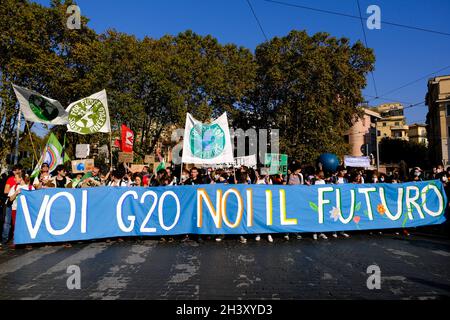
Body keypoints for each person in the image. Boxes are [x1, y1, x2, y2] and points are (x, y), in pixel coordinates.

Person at [2, 171, 34, 248]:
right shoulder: (15, 187)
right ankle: (16, 241)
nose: (14, 180)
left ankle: (27, 242)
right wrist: (16, 193)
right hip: (15, 209)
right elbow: (10, 200)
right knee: (16, 226)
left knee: (26, 225)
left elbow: (34, 199)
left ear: (21, 178)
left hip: (26, 210)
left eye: (16, 178)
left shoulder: (30, 187)